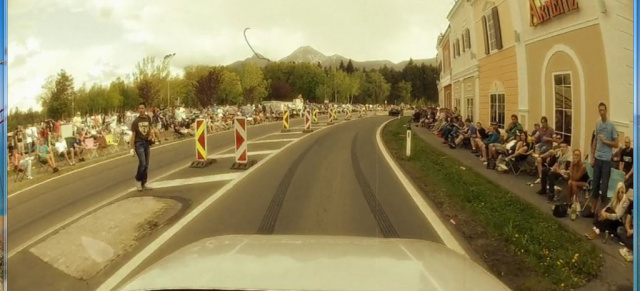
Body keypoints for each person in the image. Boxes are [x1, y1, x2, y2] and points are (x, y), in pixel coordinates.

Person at [590, 102, 619, 212]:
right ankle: (593, 207)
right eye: (600, 110)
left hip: (606, 160)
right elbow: (595, 141)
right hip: (598, 158)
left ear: (606, 111)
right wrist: (592, 156)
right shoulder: (598, 123)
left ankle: (602, 207)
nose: (601, 112)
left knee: (604, 186)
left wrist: (605, 141)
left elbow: (616, 144)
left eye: (603, 110)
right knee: (595, 184)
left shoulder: (611, 125)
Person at [130, 102, 156, 191]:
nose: (141, 110)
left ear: (145, 109)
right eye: (139, 108)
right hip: (139, 143)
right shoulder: (135, 122)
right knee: (143, 163)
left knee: (147, 165)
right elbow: (133, 135)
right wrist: (131, 148)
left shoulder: (148, 118)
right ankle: (138, 180)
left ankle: (143, 183)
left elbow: (150, 129)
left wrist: (151, 136)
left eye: (142, 108)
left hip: (146, 143)